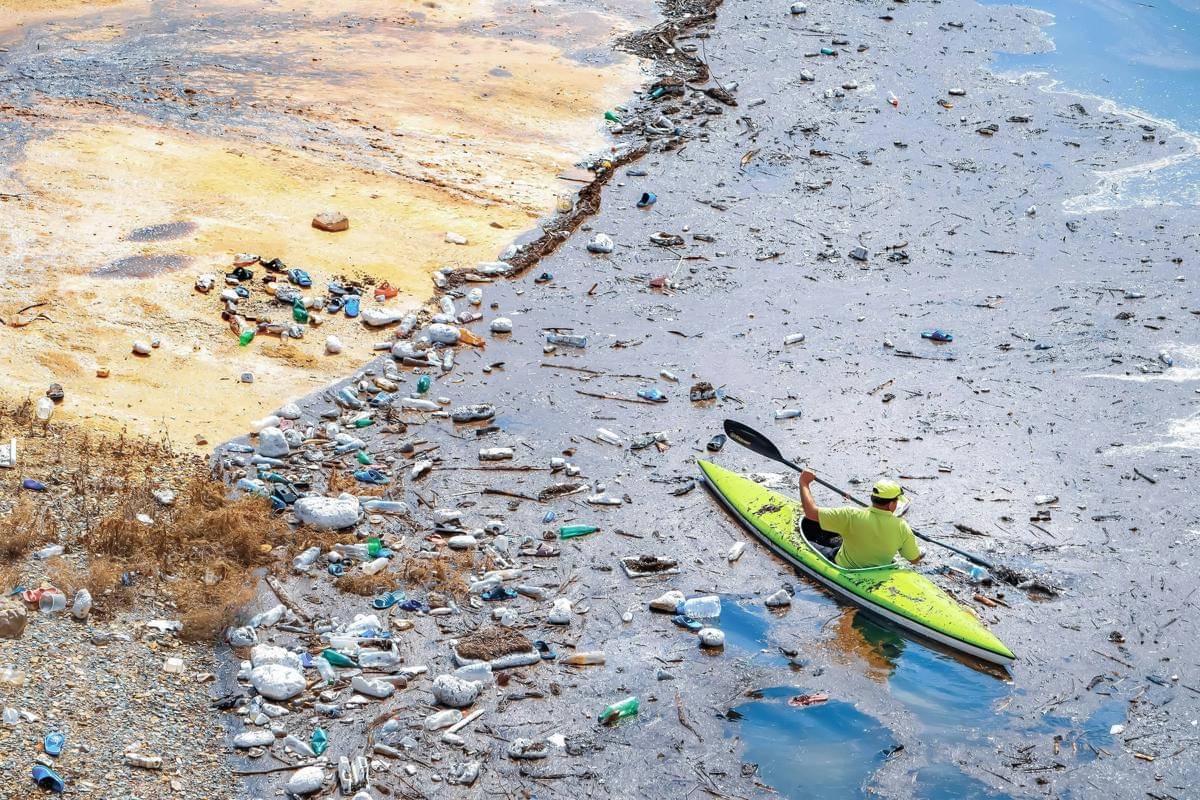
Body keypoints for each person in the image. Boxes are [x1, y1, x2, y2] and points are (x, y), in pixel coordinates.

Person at [798, 469, 922, 568]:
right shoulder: (902, 526)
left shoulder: (851, 515)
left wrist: (804, 482)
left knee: (810, 543)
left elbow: (810, 513)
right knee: (841, 540)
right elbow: (914, 559)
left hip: (843, 565)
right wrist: (917, 550)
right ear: (891, 505)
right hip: (877, 568)